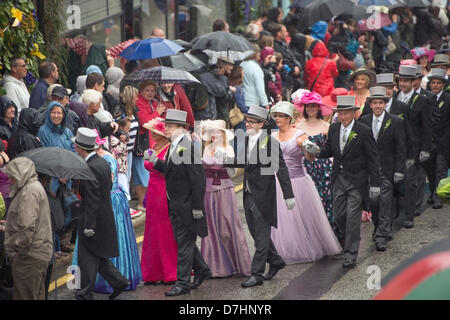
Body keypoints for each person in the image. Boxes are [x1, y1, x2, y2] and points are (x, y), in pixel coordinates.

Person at [304, 95, 381, 268]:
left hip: (357, 181)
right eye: (340, 113)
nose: (343, 117)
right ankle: (350, 239)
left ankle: (351, 252)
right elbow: (329, 151)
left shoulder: (364, 130)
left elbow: (373, 159)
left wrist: (375, 184)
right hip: (338, 179)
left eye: (346, 113)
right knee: (339, 216)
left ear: (354, 113)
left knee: (353, 218)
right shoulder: (334, 128)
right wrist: (315, 150)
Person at [224, 105, 295, 287]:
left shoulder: (270, 143)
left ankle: (256, 274)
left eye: (251, 121)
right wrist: (225, 159)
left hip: (263, 194)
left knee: (262, 235)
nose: (247, 124)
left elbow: (281, 168)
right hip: (248, 192)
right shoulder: (248, 140)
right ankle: (276, 261)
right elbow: (242, 161)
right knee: (256, 233)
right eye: (246, 121)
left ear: (262, 124)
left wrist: (289, 195)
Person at [145, 109, 211, 297]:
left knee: (183, 245)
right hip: (174, 203)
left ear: (181, 128)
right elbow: (172, 171)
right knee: (184, 241)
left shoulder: (187, 147)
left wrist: (197, 207)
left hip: (187, 206)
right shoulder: (176, 145)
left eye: (170, 126)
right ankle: (203, 269)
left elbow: (198, 179)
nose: (165, 129)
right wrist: (155, 162)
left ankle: (183, 283)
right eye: (166, 125)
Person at [269, 102, 342, 264]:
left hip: (297, 181)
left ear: (290, 118)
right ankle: (282, 250)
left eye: (281, 116)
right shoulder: (272, 136)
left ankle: (303, 248)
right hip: (277, 182)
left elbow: (310, 158)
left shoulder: (299, 135)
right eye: (276, 115)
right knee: (281, 219)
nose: (278, 118)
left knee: (299, 217)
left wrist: (309, 149)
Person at [73, 130, 142, 294]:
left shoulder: (91, 167)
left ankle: (84, 293)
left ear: (81, 148)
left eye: (76, 146)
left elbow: (92, 199)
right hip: (103, 217)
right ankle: (119, 282)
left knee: (86, 258)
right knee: (98, 255)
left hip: (93, 220)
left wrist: (89, 225)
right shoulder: (101, 162)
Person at [200, 120, 251, 277]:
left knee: (227, 228)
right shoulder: (206, 149)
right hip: (208, 192)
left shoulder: (228, 148)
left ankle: (238, 264)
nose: (214, 135)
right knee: (211, 228)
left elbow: (232, 174)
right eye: (211, 132)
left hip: (224, 191)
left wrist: (226, 161)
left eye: (217, 132)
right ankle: (214, 267)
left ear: (222, 134)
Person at [360, 86, 406, 251]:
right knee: (374, 202)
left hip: (387, 168)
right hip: (370, 170)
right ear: (370, 104)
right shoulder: (364, 121)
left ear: (385, 104)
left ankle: (381, 235)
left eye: (381, 103)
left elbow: (401, 147)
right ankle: (380, 228)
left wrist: (400, 169)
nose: (378, 106)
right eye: (375, 103)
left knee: (385, 202)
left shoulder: (395, 121)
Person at [3, 157, 52, 300]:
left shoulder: (29, 191)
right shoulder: (33, 187)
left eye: (12, 177)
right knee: (35, 294)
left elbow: (26, 227)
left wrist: (11, 247)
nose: (10, 180)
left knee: (25, 295)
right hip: (37, 252)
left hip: (30, 255)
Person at [394, 65, 432, 228]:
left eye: (406, 81)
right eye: (401, 81)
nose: (403, 84)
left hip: (414, 147)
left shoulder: (423, 100)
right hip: (395, 147)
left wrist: (425, 148)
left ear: (413, 82)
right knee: (394, 181)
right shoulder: (394, 97)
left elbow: (427, 126)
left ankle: (409, 215)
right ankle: (395, 211)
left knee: (411, 181)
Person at [141, 117, 177, 284]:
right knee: (152, 229)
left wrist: (155, 163)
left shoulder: (170, 149)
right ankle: (152, 272)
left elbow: (168, 173)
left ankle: (169, 272)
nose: (152, 134)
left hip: (163, 190)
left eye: (155, 132)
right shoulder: (154, 146)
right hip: (152, 191)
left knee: (164, 229)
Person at [296, 92, 336, 234]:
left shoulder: (327, 127)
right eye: (308, 106)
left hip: (323, 168)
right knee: (307, 202)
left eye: (314, 106)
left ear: (319, 108)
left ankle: (327, 232)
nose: (311, 109)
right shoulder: (297, 127)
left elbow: (332, 149)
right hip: (304, 168)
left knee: (325, 199)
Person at [134, 80, 163, 211]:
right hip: (143, 143)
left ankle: (146, 201)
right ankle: (142, 202)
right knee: (142, 173)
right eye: (147, 90)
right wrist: (157, 113)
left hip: (153, 142)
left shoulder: (154, 103)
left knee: (149, 172)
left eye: (152, 91)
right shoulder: (139, 103)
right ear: (141, 91)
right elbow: (144, 122)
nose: (150, 93)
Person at [241, 46, 270, 110]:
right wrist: (265, 103)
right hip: (253, 102)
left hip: (243, 99)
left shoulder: (241, 64)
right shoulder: (256, 68)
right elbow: (260, 88)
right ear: (255, 53)